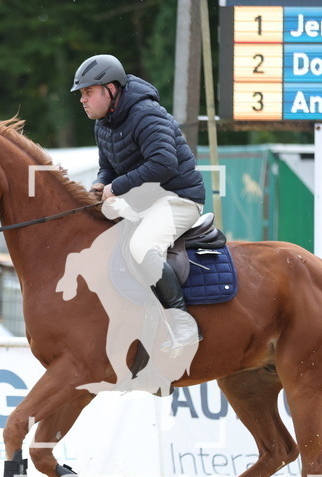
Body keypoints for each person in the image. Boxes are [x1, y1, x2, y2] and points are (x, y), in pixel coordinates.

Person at [71, 54, 206, 356]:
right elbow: (108, 168)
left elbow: (164, 163)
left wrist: (115, 187)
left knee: (142, 248)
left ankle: (183, 324)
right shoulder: (103, 124)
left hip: (178, 199)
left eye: (88, 92)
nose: (83, 100)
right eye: (82, 94)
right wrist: (100, 183)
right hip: (144, 200)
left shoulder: (146, 114)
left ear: (110, 89)